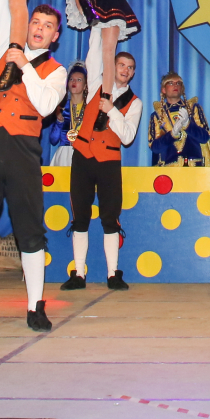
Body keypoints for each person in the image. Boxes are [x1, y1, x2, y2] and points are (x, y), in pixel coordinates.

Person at [0, 0, 66, 336]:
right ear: (27, 25)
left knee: (30, 228)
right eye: (36, 22)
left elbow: (45, 105)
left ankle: (35, 306)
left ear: (55, 37)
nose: (39, 29)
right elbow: (5, 2)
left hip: (23, 149)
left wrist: (26, 66)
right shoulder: (2, 52)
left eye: (47, 26)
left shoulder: (56, 71)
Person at [63, 45, 143, 291]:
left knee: (110, 217)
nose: (125, 70)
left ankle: (112, 274)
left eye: (130, 68)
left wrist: (112, 111)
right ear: (113, 66)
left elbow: (128, 137)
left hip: (109, 161)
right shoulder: (97, 84)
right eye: (121, 65)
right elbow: (94, 54)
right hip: (83, 156)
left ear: (133, 73)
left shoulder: (135, 103)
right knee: (80, 217)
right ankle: (78, 273)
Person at [149, 73, 210, 166]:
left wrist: (188, 125)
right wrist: (172, 135)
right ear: (163, 89)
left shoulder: (193, 108)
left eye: (178, 83)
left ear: (182, 88)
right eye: (171, 83)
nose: (175, 85)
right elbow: (155, 147)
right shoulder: (157, 115)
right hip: (169, 169)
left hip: (194, 167)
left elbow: (205, 137)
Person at [49, 64, 90, 166]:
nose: (74, 82)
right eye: (71, 79)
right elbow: (53, 140)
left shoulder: (90, 109)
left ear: (85, 86)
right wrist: (59, 122)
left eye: (79, 80)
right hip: (64, 156)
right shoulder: (61, 107)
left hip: (83, 153)